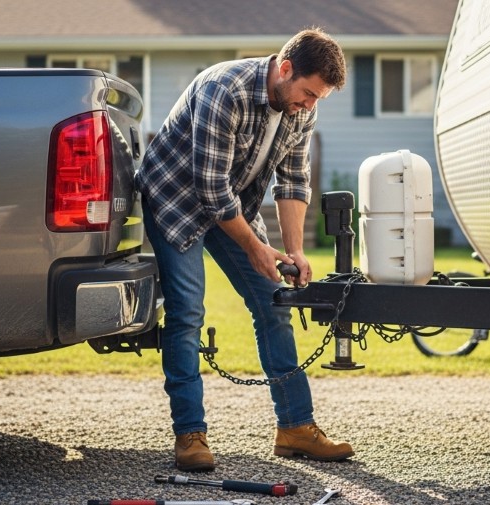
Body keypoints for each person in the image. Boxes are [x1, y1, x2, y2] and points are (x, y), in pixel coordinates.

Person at [134, 27, 354, 472]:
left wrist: (293, 253)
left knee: (273, 302)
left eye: (318, 99)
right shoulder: (225, 89)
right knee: (188, 311)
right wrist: (255, 247)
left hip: (230, 205)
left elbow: (293, 183)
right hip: (177, 199)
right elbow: (209, 187)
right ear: (285, 69)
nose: (310, 106)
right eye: (308, 93)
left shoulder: (301, 109)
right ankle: (190, 434)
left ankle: (295, 428)